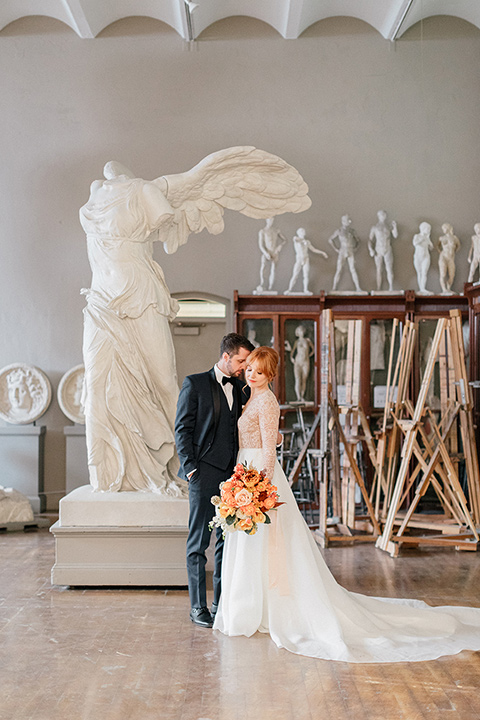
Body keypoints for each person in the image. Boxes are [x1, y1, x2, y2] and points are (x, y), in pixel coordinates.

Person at [214, 346, 480, 662]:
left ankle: (268, 609)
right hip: (247, 470)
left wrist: (261, 489)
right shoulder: (253, 399)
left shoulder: (267, 401)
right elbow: (272, 438)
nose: (252, 374)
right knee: (252, 546)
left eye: (259, 371)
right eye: (250, 369)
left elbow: (270, 452)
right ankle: (253, 607)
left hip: (260, 476)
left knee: (269, 545)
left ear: (270, 375)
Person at [175, 333, 254, 628]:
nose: (244, 366)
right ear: (225, 356)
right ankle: (197, 607)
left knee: (225, 541)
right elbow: (182, 429)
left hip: (232, 475)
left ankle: (219, 603)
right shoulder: (194, 384)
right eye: (240, 361)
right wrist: (192, 469)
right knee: (198, 542)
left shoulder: (242, 388)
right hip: (203, 473)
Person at [285, 228, 327, 295]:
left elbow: (313, 249)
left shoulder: (307, 242)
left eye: (304, 231)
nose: (303, 232)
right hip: (299, 259)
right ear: (298, 232)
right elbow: (296, 240)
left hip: (306, 258)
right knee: (295, 275)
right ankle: (289, 289)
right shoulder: (296, 238)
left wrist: (322, 253)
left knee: (306, 275)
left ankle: (306, 290)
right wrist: (303, 241)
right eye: (302, 231)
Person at [329, 215, 363, 292]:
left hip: (350, 250)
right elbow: (330, 239)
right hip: (342, 250)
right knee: (339, 269)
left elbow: (358, 241)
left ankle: (358, 287)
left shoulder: (352, 231)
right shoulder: (339, 231)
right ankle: (334, 288)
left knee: (353, 269)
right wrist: (336, 249)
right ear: (343, 221)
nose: (348, 222)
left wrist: (355, 248)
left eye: (348, 220)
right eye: (347, 220)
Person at [368, 210, 398, 291]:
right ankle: (378, 288)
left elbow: (395, 235)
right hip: (378, 249)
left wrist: (395, 227)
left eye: (384, 215)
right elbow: (370, 240)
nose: (383, 216)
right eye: (381, 215)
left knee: (389, 268)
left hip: (387, 248)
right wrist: (371, 249)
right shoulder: (374, 227)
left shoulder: (388, 226)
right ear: (378, 216)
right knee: (379, 269)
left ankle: (391, 287)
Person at [255, 218, 287, 293]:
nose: (271, 221)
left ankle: (270, 287)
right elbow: (261, 245)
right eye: (269, 220)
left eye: (272, 220)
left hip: (274, 252)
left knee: (273, 270)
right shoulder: (263, 231)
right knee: (264, 268)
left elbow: (284, 240)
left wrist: (280, 246)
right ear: (266, 220)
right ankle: (262, 284)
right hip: (267, 252)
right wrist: (266, 253)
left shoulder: (276, 230)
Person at [290, 325, 314, 402]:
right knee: (297, 379)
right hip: (298, 361)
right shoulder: (297, 342)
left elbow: (313, 350)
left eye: (302, 330)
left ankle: (302, 397)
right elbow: (293, 351)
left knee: (304, 379)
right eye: (300, 331)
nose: (302, 332)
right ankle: (298, 397)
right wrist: (292, 358)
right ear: (297, 332)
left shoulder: (308, 341)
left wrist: (308, 356)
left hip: (305, 361)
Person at [437, 223, 460, 294]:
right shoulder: (441, 238)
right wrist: (441, 252)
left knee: (452, 275)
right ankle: (444, 289)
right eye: (443, 228)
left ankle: (448, 288)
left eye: (444, 228)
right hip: (443, 256)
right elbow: (437, 246)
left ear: (449, 228)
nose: (443, 230)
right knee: (443, 274)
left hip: (451, 258)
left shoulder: (455, 238)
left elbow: (458, 246)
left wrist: (453, 252)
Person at [413, 222, 433, 295]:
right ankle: (421, 289)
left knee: (424, 272)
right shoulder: (417, 236)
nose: (429, 230)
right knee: (419, 273)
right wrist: (423, 239)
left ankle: (423, 288)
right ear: (423, 229)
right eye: (428, 229)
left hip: (426, 256)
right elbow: (415, 243)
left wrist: (428, 239)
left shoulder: (427, 238)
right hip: (418, 256)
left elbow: (431, 247)